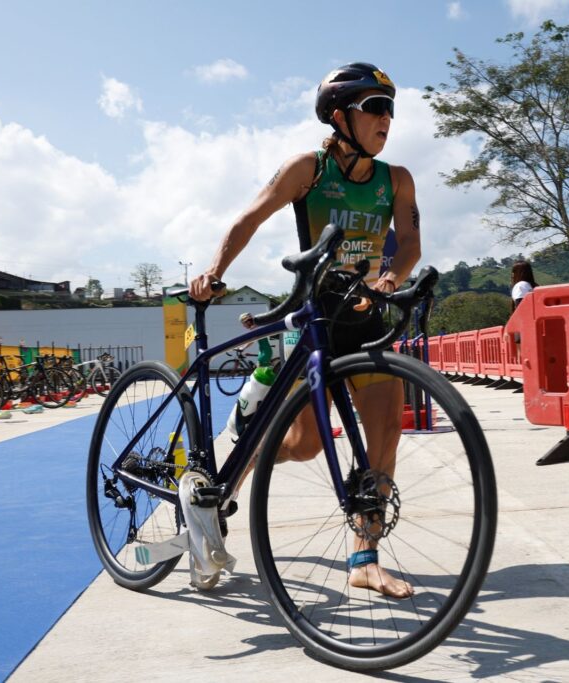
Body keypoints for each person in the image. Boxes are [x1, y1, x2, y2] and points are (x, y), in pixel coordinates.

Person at [190, 63, 420, 598]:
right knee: (304, 445)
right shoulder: (308, 169)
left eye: (391, 108)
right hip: (315, 318)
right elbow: (250, 217)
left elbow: (409, 246)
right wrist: (214, 273)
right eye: (374, 108)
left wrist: (389, 278)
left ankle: (365, 556)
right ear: (340, 116)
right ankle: (247, 450)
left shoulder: (397, 180)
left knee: (387, 429)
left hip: (365, 316)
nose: (386, 118)